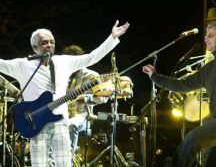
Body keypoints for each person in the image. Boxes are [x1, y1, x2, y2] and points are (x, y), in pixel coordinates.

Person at [0, 20, 129, 167]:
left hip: (60, 122)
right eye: (44, 42)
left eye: (51, 42)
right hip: (35, 124)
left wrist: (111, 38)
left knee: (64, 164)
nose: (49, 45)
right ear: (35, 47)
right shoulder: (22, 65)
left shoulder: (63, 62)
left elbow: (92, 57)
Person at [143, 21, 216, 167]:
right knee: (214, 162)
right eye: (206, 35)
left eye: (211, 35)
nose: (206, 38)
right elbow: (182, 85)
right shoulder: (209, 68)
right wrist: (155, 77)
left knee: (193, 138)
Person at [62, 45, 107, 155]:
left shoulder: (92, 75)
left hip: (83, 116)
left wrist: (87, 98)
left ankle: (70, 159)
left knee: (71, 125)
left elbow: (103, 98)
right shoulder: (64, 77)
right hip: (64, 114)